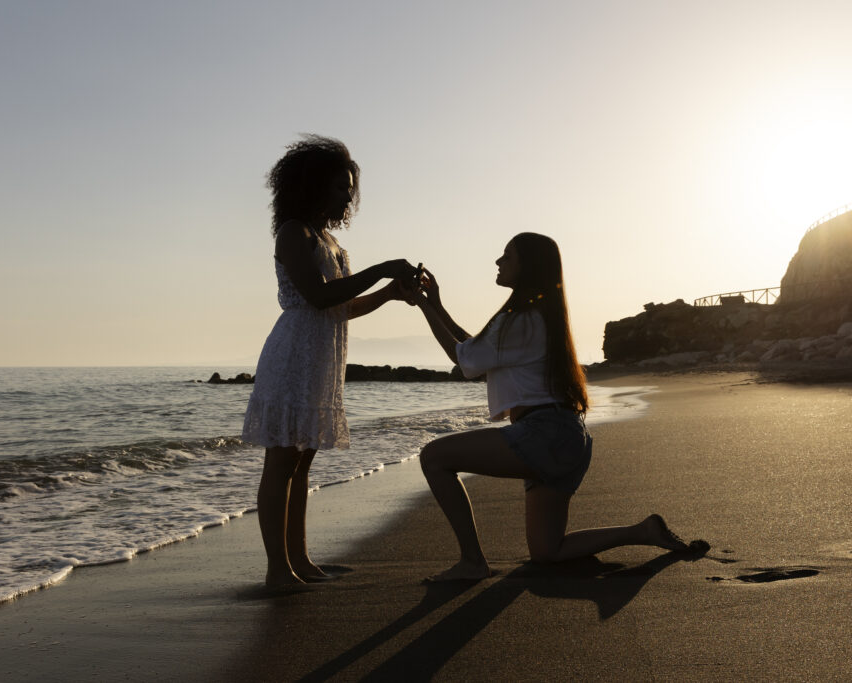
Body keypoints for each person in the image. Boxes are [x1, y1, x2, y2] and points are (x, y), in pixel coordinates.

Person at [410, 233, 703, 581]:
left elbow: (464, 361)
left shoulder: (519, 319)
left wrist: (423, 306)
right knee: (547, 551)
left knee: (434, 457)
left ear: (527, 265)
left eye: (507, 256)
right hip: (567, 437)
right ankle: (642, 531)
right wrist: (437, 304)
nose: (498, 262)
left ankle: (473, 562)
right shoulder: (537, 315)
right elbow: (475, 349)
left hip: (543, 435)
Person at [241, 135, 419, 588]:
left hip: (322, 360)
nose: (347, 196)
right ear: (315, 185)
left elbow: (342, 307)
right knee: (281, 463)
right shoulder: (293, 233)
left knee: (303, 466)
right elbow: (318, 298)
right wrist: (380, 270)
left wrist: (389, 294)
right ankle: (276, 570)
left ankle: (300, 560)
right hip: (293, 357)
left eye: (349, 188)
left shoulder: (329, 241)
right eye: (340, 187)